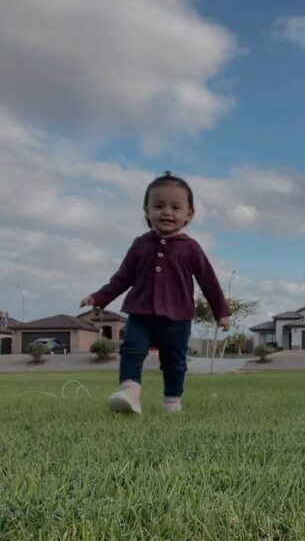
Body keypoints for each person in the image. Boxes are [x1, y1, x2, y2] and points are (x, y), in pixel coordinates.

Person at [81, 171, 230, 415]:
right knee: (131, 350)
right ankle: (130, 392)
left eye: (175, 207)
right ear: (147, 210)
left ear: (189, 214)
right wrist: (100, 297)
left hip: (178, 317)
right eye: (159, 205)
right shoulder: (140, 244)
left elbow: (208, 281)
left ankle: (172, 402)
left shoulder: (191, 248)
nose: (167, 212)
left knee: (174, 361)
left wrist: (221, 311)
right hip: (140, 312)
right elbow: (123, 277)